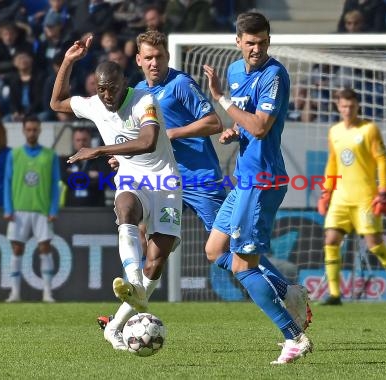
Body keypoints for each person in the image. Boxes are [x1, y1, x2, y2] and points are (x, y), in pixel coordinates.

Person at [97, 29, 311, 351]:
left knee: (226, 248)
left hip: (199, 179)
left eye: (160, 57)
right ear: (138, 60)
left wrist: (168, 134)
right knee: (153, 252)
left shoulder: (181, 85)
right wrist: (123, 155)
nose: (155, 63)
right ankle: (117, 324)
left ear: (167, 57)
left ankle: (286, 291)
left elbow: (212, 122)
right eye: (149, 58)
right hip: (162, 181)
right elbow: (140, 139)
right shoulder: (138, 92)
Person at [202, 12, 313, 365]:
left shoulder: (274, 74)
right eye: (250, 43)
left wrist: (222, 100)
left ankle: (294, 337)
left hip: (263, 180)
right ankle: (287, 290)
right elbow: (248, 124)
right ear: (238, 42)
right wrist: (236, 131)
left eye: (263, 42)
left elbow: (262, 127)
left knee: (241, 267)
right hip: (244, 178)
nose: (257, 49)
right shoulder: (236, 72)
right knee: (214, 249)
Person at [50, 35, 182, 317]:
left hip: (164, 181)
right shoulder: (96, 104)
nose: (107, 95)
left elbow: (147, 141)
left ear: (124, 84)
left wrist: (98, 151)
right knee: (125, 208)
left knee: (155, 264)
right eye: (101, 90)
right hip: (132, 177)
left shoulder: (144, 100)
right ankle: (132, 278)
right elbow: (57, 102)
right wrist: (69, 60)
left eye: (112, 88)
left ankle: (116, 325)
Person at [317, 88, 386, 307]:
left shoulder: (369, 130)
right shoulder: (334, 132)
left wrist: (383, 192)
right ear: (338, 106)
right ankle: (334, 294)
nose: (347, 110)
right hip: (340, 197)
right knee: (330, 240)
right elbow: (332, 162)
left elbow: (381, 161)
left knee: (375, 245)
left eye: (351, 106)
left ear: (357, 106)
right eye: (343, 106)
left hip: (365, 198)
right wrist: (326, 191)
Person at [3, 114, 60, 303]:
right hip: (19, 210)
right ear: (23, 130)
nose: (31, 132)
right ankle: (15, 293)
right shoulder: (14, 154)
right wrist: (8, 208)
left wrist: (53, 209)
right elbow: (8, 182)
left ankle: (47, 292)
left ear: (40, 130)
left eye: (35, 129)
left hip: (42, 210)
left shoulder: (50, 155)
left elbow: (54, 184)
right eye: (28, 129)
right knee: (17, 249)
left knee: (45, 248)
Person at [59, 127, 108, 207]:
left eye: (84, 140)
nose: (81, 143)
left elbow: (103, 182)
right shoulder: (66, 161)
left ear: (90, 140)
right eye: (78, 140)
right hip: (71, 209)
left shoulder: (101, 160)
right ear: (73, 142)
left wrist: (75, 176)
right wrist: (88, 175)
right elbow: (65, 179)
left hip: (96, 209)